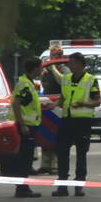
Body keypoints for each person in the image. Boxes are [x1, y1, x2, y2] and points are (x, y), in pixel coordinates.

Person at [53, 52, 100, 198]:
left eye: (72, 63)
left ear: (80, 64)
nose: (69, 66)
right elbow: (62, 98)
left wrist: (83, 103)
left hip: (82, 122)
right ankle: (62, 186)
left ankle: (79, 185)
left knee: (81, 154)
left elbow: (97, 101)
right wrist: (52, 105)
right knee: (62, 152)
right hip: (67, 120)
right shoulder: (66, 79)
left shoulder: (90, 80)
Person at [9, 57, 43, 198]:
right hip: (25, 126)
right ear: (35, 69)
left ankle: (23, 187)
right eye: (41, 67)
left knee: (27, 158)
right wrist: (22, 124)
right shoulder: (25, 84)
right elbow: (17, 104)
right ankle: (22, 188)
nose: (42, 70)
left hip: (29, 125)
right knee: (25, 158)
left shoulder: (28, 82)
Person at [38, 44, 66, 173]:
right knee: (45, 134)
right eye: (55, 54)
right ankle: (45, 163)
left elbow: (63, 81)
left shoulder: (65, 69)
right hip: (47, 104)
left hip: (60, 105)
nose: (58, 56)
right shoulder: (44, 69)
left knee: (57, 135)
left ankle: (55, 164)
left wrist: (54, 68)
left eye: (60, 54)